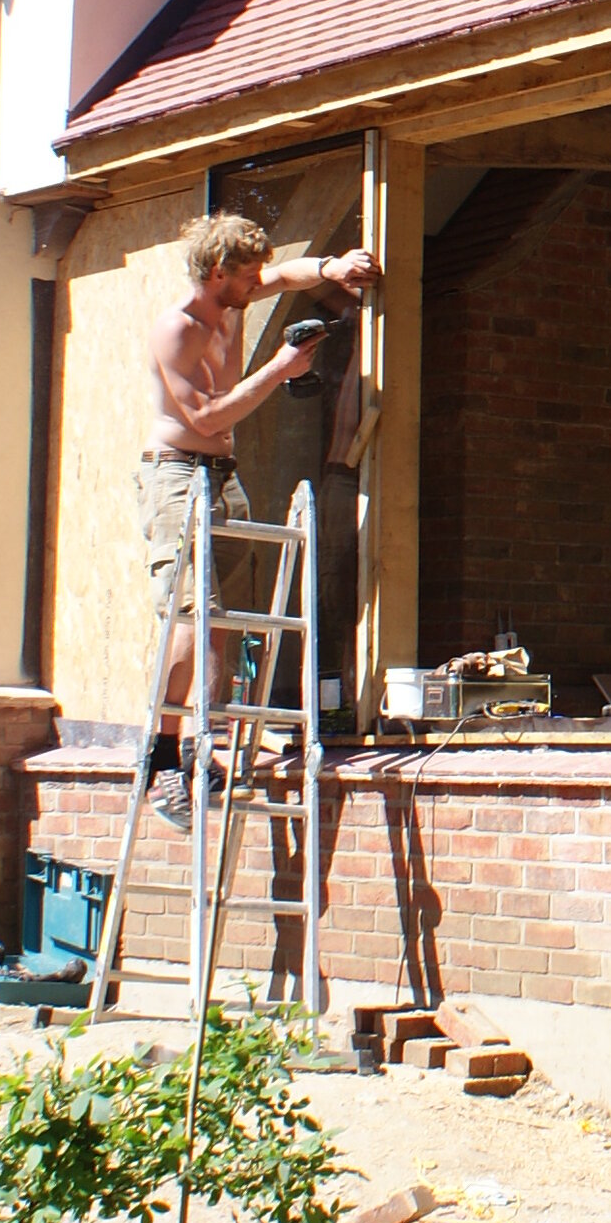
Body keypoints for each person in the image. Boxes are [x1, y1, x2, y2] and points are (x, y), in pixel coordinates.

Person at [141, 210, 379, 821]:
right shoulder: (179, 328)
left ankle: (205, 747)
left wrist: (333, 267)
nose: (258, 283)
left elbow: (288, 275)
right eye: (248, 274)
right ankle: (163, 755)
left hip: (222, 477)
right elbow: (207, 418)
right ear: (219, 272)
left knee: (217, 624)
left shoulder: (233, 303)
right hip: (176, 475)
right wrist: (280, 368)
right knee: (193, 616)